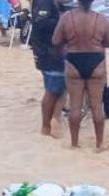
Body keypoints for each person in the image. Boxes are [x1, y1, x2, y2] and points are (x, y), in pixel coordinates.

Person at [52, 0, 109, 152]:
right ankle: (100, 143)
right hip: (96, 61)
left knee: (75, 106)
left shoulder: (67, 17)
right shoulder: (100, 19)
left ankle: (74, 143)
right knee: (96, 106)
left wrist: (70, 41)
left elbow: (55, 40)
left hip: (74, 60)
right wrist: (96, 42)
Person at [31, 0, 68, 138]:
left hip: (54, 51)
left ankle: (55, 119)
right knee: (52, 91)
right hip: (48, 52)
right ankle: (46, 126)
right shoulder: (44, 2)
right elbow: (41, 23)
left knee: (63, 87)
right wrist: (64, 20)